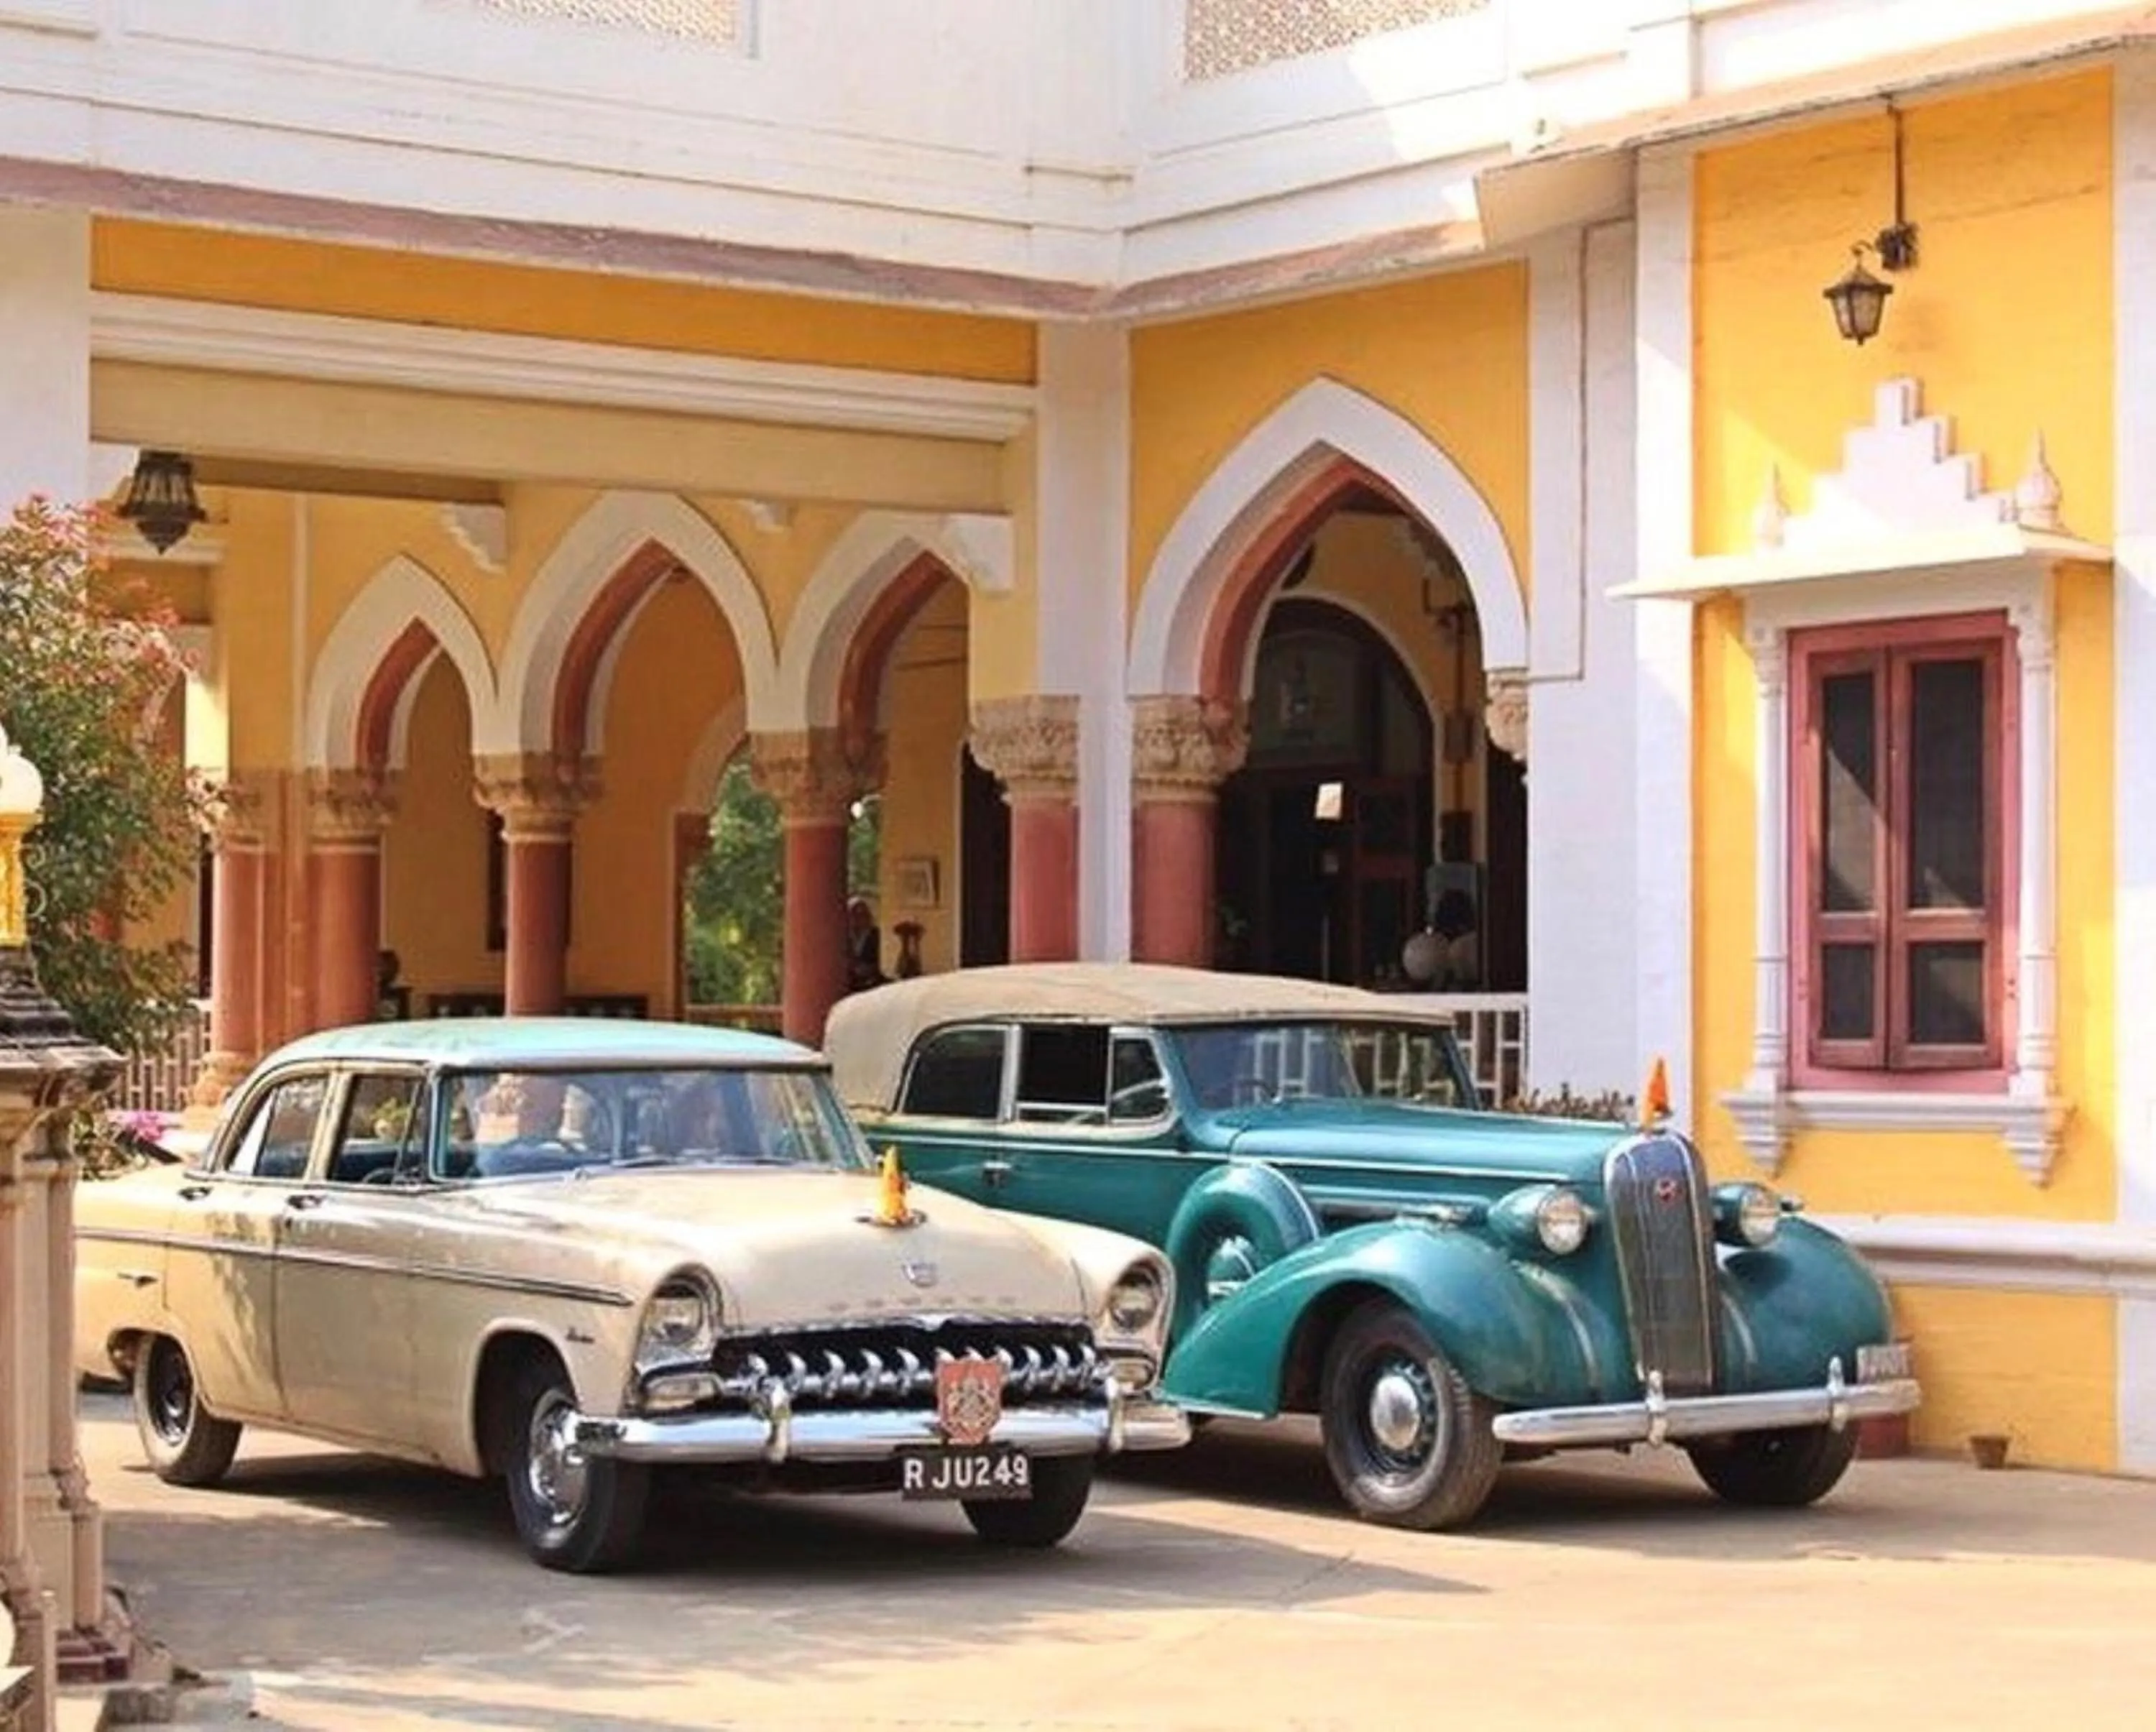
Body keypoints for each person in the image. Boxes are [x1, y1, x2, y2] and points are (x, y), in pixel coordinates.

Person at [847, 896, 887, 992]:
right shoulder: (845, 936)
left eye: (862, 914)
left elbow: (879, 960)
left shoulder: (875, 934)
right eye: (855, 914)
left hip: (871, 978)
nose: (859, 918)